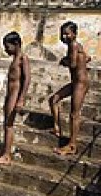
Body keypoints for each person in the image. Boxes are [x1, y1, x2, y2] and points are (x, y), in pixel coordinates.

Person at [49, 21, 91, 155]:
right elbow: (88, 58)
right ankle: (56, 128)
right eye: (63, 34)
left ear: (74, 34)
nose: (65, 36)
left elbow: (72, 64)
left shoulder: (73, 45)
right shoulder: (77, 45)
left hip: (80, 83)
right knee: (54, 99)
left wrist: (64, 61)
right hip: (76, 82)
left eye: (67, 33)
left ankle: (72, 145)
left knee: (74, 114)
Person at [0, 31, 31, 165]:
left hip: (15, 95)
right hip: (10, 95)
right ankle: (4, 153)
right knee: (6, 124)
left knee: (9, 125)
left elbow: (27, 79)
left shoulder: (22, 58)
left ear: (16, 44)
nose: (6, 49)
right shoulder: (15, 59)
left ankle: (7, 156)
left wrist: (21, 99)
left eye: (7, 46)